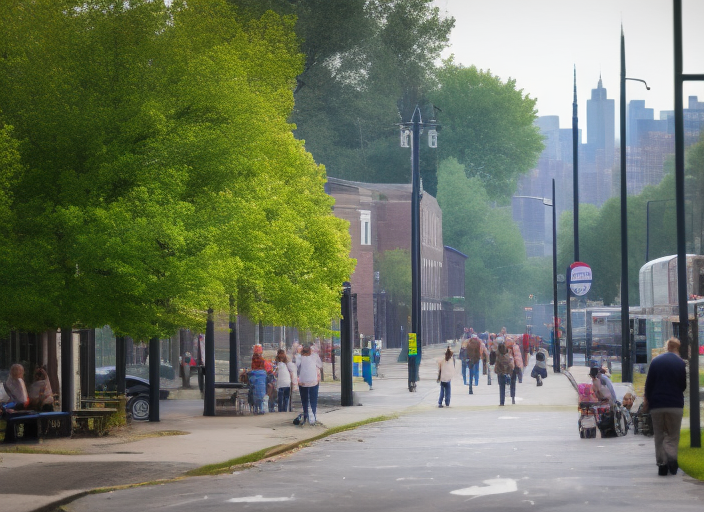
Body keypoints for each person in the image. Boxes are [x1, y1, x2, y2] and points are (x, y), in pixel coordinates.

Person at [644, 337, 687, 476]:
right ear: (677, 348)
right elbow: (683, 386)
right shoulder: (680, 363)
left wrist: (647, 401)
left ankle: (662, 465)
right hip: (675, 405)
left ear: (666, 347)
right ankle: (672, 461)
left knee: (659, 435)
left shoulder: (655, 361)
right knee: (672, 435)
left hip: (657, 405)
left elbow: (649, 384)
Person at [296, 344, 323, 425]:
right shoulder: (315, 356)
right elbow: (320, 365)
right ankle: (313, 417)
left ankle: (305, 417)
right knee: (313, 400)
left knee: (304, 400)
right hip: (313, 381)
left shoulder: (299, 356)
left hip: (303, 381)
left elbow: (296, 366)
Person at [494, 342, 514, 406]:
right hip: (507, 373)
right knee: (508, 387)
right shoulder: (507, 356)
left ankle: (502, 402)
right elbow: (510, 365)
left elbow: (496, 366)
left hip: (500, 373)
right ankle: (512, 399)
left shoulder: (498, 356)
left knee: (501, 388)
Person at [505, 337, 524, 402]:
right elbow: (518, 357)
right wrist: (519, 366)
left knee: (510, 381)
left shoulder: (506, 348)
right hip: (514, 367)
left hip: (508, 367)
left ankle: (510, 396)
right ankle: (512, 396)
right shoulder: (516, 347)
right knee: (513, 382)